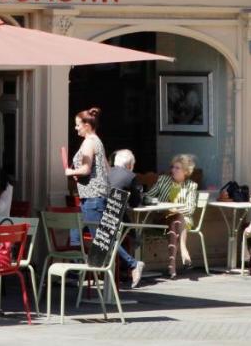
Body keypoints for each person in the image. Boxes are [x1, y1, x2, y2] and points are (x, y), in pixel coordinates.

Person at [64, 108, 146, 285]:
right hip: (94, 196)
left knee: (101, 238)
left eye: (77, 125)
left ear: (87, 125)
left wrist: (70, 171)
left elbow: (86, 169)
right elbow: (104, 169)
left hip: (93, 197)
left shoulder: (88, 143)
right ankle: (77, 271)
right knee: (76, 234)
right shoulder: (97, 142)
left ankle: (133, 264)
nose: (75, 128)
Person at [144, 154, 200, 278]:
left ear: (186, 171)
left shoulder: (191, 186)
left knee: (176, 220)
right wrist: (159, 204)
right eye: (172, 167)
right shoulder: (163, 180)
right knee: (176, 220)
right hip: (162, 218)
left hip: (182, 221)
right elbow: (147, 196)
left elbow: (190, 209)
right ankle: (183, 249)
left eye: (177, 168)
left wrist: (175, 209)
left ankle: (172, 265)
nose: (172, 170)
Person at [107, 149, 146, 287]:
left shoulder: (107, 173)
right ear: (129, 164)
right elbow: (136, 202)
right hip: (114, 220)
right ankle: (130, 263)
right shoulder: (130, 176)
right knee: (128, 232)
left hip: (105, 215)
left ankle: (124, 268)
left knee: (124, 230)